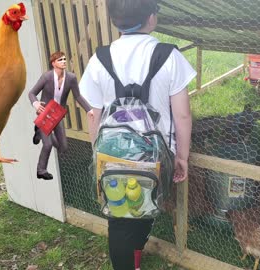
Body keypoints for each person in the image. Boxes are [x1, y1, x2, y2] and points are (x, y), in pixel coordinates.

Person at [79, 0, 195, 269]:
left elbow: (93, 114)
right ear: (152, 18)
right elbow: (183, 115)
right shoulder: (169, 56)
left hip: (112, 153)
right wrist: (182, 157)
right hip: (156, 155)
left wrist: (98, 153)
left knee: (120, 213)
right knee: (145, 203)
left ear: (113, 20)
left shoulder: (101, 58)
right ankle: (131, 261)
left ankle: (131, 261)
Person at [29, 51, 93, 180]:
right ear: (53, 63)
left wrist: (89, 109)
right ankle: (41, 170)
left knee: (63, 147)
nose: (63, 61)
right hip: (46, 114)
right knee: (47, 145)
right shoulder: (46, 77)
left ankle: (39, 132)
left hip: (58, 114)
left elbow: (78, 96)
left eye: (64, 59)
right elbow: (32, 93)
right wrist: (35, 103)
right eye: (60, 60)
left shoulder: (71, 78)